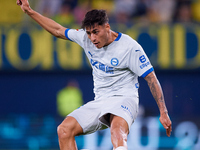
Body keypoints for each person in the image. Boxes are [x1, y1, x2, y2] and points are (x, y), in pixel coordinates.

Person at [17, 0, 172, 150]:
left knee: (117, 132)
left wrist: (163, 112)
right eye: (89, 33)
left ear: (107, 27)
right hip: (101, 101)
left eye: (96, 32)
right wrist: (30, 11)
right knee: (64, 130)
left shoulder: (130, 47)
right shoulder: (86, 38)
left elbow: (151, 78)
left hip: (125, 99)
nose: (93, 38)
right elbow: (58, 30)